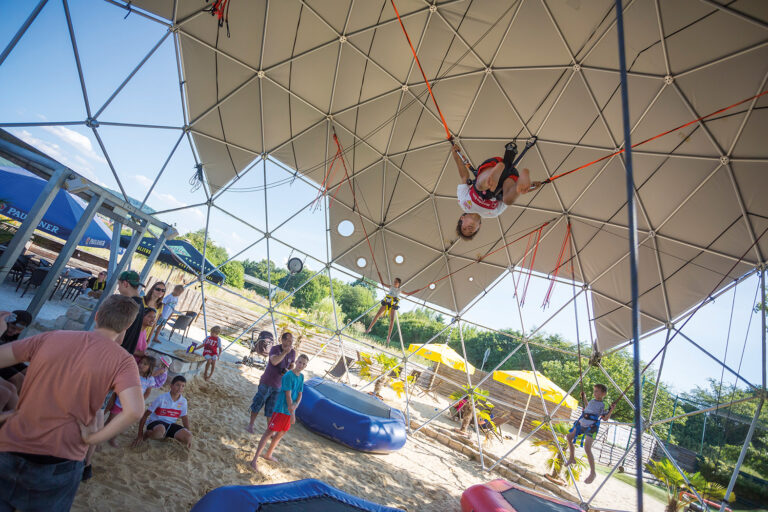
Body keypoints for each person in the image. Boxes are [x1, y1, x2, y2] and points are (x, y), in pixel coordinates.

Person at [0, 298, 144, 512]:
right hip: (61, 459)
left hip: (10, 447)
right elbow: (135, 411)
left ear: (96, 316)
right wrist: (93, 438)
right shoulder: (123, 360)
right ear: (127, 326)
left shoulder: (51, 337)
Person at [450, 142, 540, 241]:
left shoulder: (463, 203)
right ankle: (520, 183)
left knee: (480, 186)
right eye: (471, 231)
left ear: (462, 219)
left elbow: (464, 177)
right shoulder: (493, 213)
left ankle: (494, 173)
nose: (468, 229)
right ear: (478, 227)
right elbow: (507, 196)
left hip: (489, 169)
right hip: (509, 178)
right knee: (507, 200)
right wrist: (528, 188)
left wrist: (456, 156)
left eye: (464, 228)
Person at [249, 354, 308, 472]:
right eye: (300, 362)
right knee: (269, 432)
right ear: (296, 361)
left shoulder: (301, 377)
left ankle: (268, 454)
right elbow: (288, 395)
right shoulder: (288, 375)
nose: (301, 365)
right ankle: (254, 460)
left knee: (281, 433)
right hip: (281, 409)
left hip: (290, 410)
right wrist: (293, 413)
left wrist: (296, 405)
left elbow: (300, 394)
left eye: (304, 364)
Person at [106, 355, 168, 447]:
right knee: (110, 421)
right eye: (141, 363)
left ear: (150, 367)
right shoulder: (132, 373)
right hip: (119, 403)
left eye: (145, 364)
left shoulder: (150, 379)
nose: (141, 365)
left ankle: (112, 439)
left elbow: (147, 393)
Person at [247, 331, 296, 433]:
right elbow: (274, 361)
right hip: (267, 382)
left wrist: (289, 370)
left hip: (279, 385)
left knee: (271, 409)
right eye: (288, 340)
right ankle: (251, 424)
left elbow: (292, 364)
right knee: (258, 404)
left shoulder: (293, 352)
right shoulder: (275, 349)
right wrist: (284, 352)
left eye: (292, 340)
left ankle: (270, 429)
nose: (290, 343)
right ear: (282, 340)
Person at [565, 383, 614, 484]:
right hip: (582, 423)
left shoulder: (602, 404)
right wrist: (585, 398)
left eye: (597, 391)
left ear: (603, 393)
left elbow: (605, 418)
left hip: (591, 426)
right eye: (594, 391)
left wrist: (611, 410)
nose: (595, 393)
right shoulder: (592, 401)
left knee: (587, 448)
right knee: (569, 437)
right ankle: (572, 457)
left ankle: (593, 473)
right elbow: (588, 407)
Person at [132, 375, 193, 449]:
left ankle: (165, 435)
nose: (180, 388)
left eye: (183, 386)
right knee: (159, 432)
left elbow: (184, 417)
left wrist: (188, 432)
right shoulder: (161, 398)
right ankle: (148, 434)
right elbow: (145, 415)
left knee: (188, 437)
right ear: (171, 385)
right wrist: (140, 435)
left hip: (170, 425)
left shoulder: (183, 401)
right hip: (156, 423)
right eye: (177, 385)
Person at [0, 309, 33, 391]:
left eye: (19, 330)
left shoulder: (11, 336)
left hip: (4, 358)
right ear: (7, 322)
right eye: (12, 327)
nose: (14, 332)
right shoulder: (2, 328)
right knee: (19, 380)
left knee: (31, 373)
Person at [116, 270, 145, 355]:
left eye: (119, 284)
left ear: (125, 284)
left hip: (117, 353)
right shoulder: (140, 304)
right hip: (125, 353)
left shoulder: (128, 304)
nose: (118, 288)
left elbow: (118, 338)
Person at [365, 278, 401, 343]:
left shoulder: (400, 290)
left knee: (392, 320)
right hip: (387, 302)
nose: (395, 282)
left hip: (393, 304)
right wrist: (380, 276)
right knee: (378, 314)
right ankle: (369, 329)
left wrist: (421, 289)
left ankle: (388, 337)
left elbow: (409, 293)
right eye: (394, 281)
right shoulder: (391, 287)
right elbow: (383, 284)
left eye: (396, 282)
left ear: (399, 283)